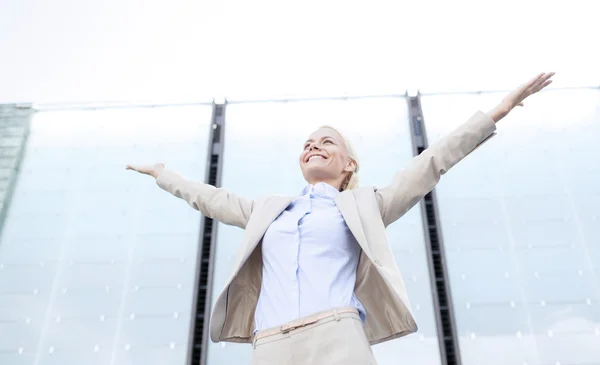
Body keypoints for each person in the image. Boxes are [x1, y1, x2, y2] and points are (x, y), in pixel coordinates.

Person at [126, 72, 555, 365]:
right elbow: (209, 198)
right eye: (308, 143)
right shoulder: (267, 210)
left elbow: (433, 162)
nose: (313, 146)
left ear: (349, 164)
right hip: (271, 344)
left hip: (337, 336)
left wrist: (498, 110)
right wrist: (165, 176)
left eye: (326, 141)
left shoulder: (367, 204)